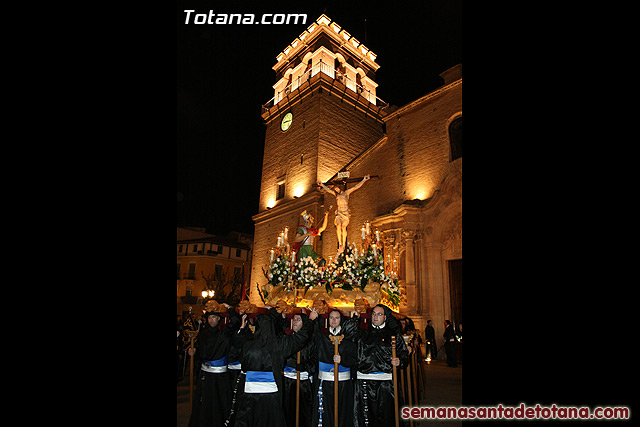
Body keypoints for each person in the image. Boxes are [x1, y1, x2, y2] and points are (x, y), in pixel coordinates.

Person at [232, 308, 319, 427]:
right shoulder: (279, 344)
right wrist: (310, 321)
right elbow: (301, 338)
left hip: (250, 391)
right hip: (271, 392)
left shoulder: (248, 344)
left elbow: (236, 345)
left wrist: (242, 329)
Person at [345, 304, 409, 427]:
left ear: (385, 317)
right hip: (364, 382)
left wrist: (400, 361)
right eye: (373, 314)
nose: (375, 317)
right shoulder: (363, 332)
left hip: (385, 383)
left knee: (386, 417)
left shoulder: (393, 334)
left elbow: (404, 353)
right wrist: (355, 318)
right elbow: (348, 333)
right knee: (365, 418)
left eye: (379, 314)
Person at [187, 302, 241, 427]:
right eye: (209, 317)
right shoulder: (203, 333)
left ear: (218, 319)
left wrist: (230, 308)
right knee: (204, 403)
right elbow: (201, 348)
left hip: (219, 377)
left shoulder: (224, 333)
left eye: (214, 317)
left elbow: (235, 321)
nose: (211, 320)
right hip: (205, 374)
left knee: (218, 403)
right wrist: (194, 350)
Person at [310, 309, 358, 427]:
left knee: (343, 413)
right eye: (331, 318)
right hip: (325, 382)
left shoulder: (348, 337)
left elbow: (355, 359)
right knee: (325, 413)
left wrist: (343, 361)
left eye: (337, 318)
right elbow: (313, 334)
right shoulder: (322, 337)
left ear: (341, 320)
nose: (334, 320)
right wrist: (312, 319)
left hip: (343, 384)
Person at [317, 175, 370, 253]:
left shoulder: (346, 193)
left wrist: (364, 180)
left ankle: (344, 244)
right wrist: (322, 184)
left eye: (336, 188)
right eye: (335, 189)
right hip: (339, 213)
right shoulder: (336, 195)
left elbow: (355, 187)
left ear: (339, 187)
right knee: (338, 225)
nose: (336, 190)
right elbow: (328, 190)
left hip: (345, 213)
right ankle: (340, 244)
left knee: (343, 227)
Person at [282, 313, 317, 427]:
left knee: (304, 412)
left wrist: (305, 366)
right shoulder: (286, 338)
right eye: (294, 319)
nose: (295, 321)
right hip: (287, 382)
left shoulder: (310, 342)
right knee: (287, 411)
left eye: (298, 320)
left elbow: (315, 360)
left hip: (303, 384)